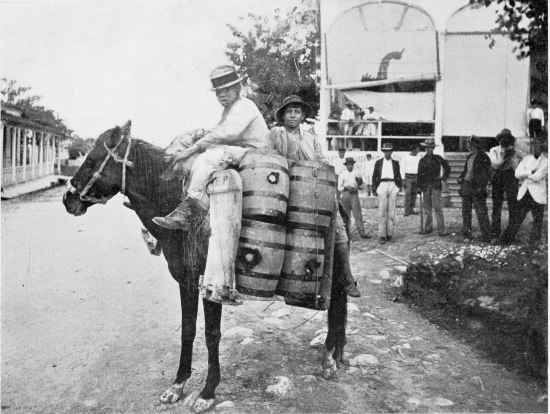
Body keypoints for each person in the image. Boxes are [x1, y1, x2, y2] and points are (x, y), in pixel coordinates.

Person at [153, 65, 269, 230]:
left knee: (209, 157)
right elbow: (218, 133)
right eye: (218, 91)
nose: (221, 94)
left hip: (256, 155)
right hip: (241, 153)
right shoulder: (230, 110)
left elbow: (223, 134)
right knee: (193, 160)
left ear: (237, 87)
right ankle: (183, 207)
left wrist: (190, 149)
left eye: (226, 89)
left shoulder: (244, 106)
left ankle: (190, 210)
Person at [270, 95, 361, 297]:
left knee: (339, 231)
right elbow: (271, 159)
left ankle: (346, 278)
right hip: (288, 191)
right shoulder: (277, 134)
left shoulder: (311, 137)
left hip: (314, 191)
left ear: (302, 115)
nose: (293, 115)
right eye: (289, 112)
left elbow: (321, 162)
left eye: (297, 111)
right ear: (283, 116)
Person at [500, 136, 548, 245]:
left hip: (538, 195)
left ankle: (534, 243)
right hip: (525, 192)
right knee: (517, 218)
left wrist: (526, 174)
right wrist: (530, 172)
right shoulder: (527, 159)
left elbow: (538, 177)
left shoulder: (545, 161)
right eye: (533, 146)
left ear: (541, 148)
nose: (534, 148)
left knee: (537, 221)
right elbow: (517, 173)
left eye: (537, 146)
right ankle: (506, 240)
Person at [488, 129, 523, 241]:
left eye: (507, 138)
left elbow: (524, 162)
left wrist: (514, 159)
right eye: (502, 138)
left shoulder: (516, 151)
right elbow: (495, 165)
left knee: (513, 206)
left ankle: (510, 234)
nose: (504, 140)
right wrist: (504, 156)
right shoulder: (494, 150)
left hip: (511, 178)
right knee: (496, 206)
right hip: (498, 177)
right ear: (499, 140)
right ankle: (495, 233)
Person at [457, 136, 492, 243]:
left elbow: (487, 173)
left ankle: (486, 237)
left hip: (477, 188)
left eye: (471, 144)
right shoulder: (469, 157)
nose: (469, 146)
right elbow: (465, 170)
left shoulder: (484, 156)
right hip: (466, 186)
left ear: (476, 145)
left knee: (481, 213)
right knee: (466, 212)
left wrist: (482, 186)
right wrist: (461, 178)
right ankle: (466, 235)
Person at [417, 138, 451, 236]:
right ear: (425, 148)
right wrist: (419, 187)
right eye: (427, 147)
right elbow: (419, 175)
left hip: (436, 186)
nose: (429, 149)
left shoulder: (438, 158)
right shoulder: (422, 160)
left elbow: (447, 167)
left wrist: (444, 177)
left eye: (431, 147)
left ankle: (441, 229)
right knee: (427, 208)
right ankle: (428, 228)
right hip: (426, 186)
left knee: (437, 207)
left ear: (433, 148)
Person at [372, 143, 402, 244]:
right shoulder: (378, 163)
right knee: (382, 211)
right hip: (382, 184)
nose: (388, 153)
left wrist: (399, 187)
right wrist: (374, 188)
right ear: (383, 152)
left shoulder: (396, 163)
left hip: (393, 184)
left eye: (389, 151)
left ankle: (390, 234)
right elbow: (374, 175)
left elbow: (398, 175)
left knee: (391, 212)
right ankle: (382, 235)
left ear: (392, 152)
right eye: (386, 151)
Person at [338, 157, 371, 240]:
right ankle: (347, 234)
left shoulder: (357, 173)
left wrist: (358, 187)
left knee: (358, 214)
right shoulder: (342, 174)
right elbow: (339, 187)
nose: (350, 166)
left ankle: (362, 233)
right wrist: (346, 187)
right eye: (348, 165)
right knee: (346, 215)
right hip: (345, 195)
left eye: (351, 165)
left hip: (354, 195)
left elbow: (363, 186)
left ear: (353, 165)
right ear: (346, 165)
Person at [400, 144, 421, 216]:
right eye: (417, 149)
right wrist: (403, 179)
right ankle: (406, 211)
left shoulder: (419, 158)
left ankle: (412, 209)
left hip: (416, 177)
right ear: (413, 149)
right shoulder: (406, 157)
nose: (418, 151)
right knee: (408, 194)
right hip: (408, 177)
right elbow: (402, 168)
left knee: (414, 194)